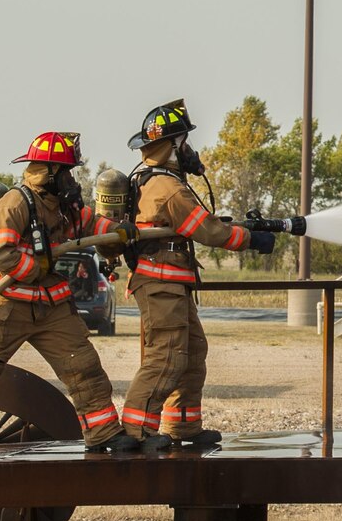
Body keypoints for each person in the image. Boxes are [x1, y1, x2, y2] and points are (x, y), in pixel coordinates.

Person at [0, 131, 125, 459]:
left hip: (50, 307)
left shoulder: (62, 206)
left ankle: (103, 431)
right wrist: (37, 265)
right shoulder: (15, 203)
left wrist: (121, 230)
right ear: (49, 173)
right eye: (66, 172)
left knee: (84, 365)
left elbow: (92, 225)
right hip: (7, 305)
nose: (71, 180)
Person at [112, 99, 273, 450]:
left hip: (172, 284)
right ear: (172, 147)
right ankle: (137, 434)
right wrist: (251, 239)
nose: (190, 151)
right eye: (185, 142)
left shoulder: (156, 180)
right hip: (160, 284)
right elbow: (208, 231)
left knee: (192, 352)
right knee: (166, 357)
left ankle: (183, 427)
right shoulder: (168, 188)